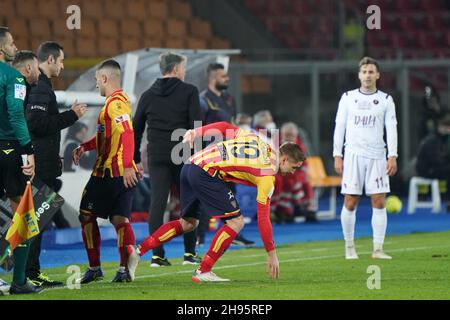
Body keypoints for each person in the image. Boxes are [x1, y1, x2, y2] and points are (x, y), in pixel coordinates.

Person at [126, 121, 305, 282]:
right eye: (293, 167)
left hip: (190, 166)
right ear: (284, 159)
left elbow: (225, 127)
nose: (293, 172)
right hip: (206, 173)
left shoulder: (258, 142)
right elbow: (264, 219)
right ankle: (204, 270)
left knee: (188, 223)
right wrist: (271, 254)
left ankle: (138, 251)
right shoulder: (268, 176)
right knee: (236, 222)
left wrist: (196, 132)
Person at [25, 41, 87, 287]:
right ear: (49, 60)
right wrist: (71, 116)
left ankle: (29, 272)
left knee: (36, 220)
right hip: (38, 165)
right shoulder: (40, 86)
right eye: (60, 60)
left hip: (40, 161)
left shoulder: (40, 85)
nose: (62, 65)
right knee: (35, 220)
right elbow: (36, 123)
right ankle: (29, 273)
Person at [72, 59, 139, 283]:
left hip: (110, 173)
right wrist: (85, 146)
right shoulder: (117, 101)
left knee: (86, 215)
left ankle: (95, 268)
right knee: (121, 220)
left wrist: (128, 165)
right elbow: (107, 135)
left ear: (104, 78)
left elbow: (127, 133)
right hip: (121, 172)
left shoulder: (115, 104)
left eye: (96, 80)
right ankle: (123, 270)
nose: (95, 84)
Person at [133, 52, 201, 267]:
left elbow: (136, 128)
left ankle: (156, 255)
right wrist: (199, 156)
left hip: (156, 154)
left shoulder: (147, 94)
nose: (184, 72)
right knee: (188, 201)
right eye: (183, 68)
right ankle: (189, 254)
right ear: (175, 69)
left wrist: (135, 157)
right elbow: (196, 125)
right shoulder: (189, 91)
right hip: (182, 152)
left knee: (157, 203)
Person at [333, 56, 398, 260]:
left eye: (371, 72)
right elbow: (340, 127)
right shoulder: (347, 98)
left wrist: (392, 155)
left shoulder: (386, 100)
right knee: (350, 201)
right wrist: (337, 154)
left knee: (379, 201)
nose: (368, 75)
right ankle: (349, 246)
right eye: (364, 72)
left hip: (378, 155)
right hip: (353, 155)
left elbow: (391, 129)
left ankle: (377, 249)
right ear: (359, 75)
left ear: (378, 75)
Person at [0, 28, 41, 295]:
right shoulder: (14, 77)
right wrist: (29, 151)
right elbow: (16, 116)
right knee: (23, 211)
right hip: (9, 150)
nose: (16, 47)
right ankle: (18, 281)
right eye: (12, 43)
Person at [198, 63, 254, 247]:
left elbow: (232, 123)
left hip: (228, 152)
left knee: (231, 190)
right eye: (223, 76)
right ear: (213, 78)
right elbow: (199, 127)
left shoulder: (229, 99)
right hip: (209, 152)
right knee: (206, 194)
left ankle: (233, 233)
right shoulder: (203, 100)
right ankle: (199, 237)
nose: (227, 79)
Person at [271, 122, 317, 223]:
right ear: (282, 134)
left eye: (291, 135)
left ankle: (309, 210)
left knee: (304, 182)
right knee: (287, 182)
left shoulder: (299, 144)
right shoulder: (274, 142)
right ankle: (289, 208)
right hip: (278, 173)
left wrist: (300, 175)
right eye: (286, 135)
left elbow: (304, 164)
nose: (289, 137)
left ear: (295, 135)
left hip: (293, 173)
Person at [416, 114, 450, 211]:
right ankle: (448, 200)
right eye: (446, 127)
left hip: (437, 167)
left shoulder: (444, 139)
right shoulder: (432, 140)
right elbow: (435, 160)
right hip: (427, 170)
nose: (447, 130)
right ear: (439, 127)